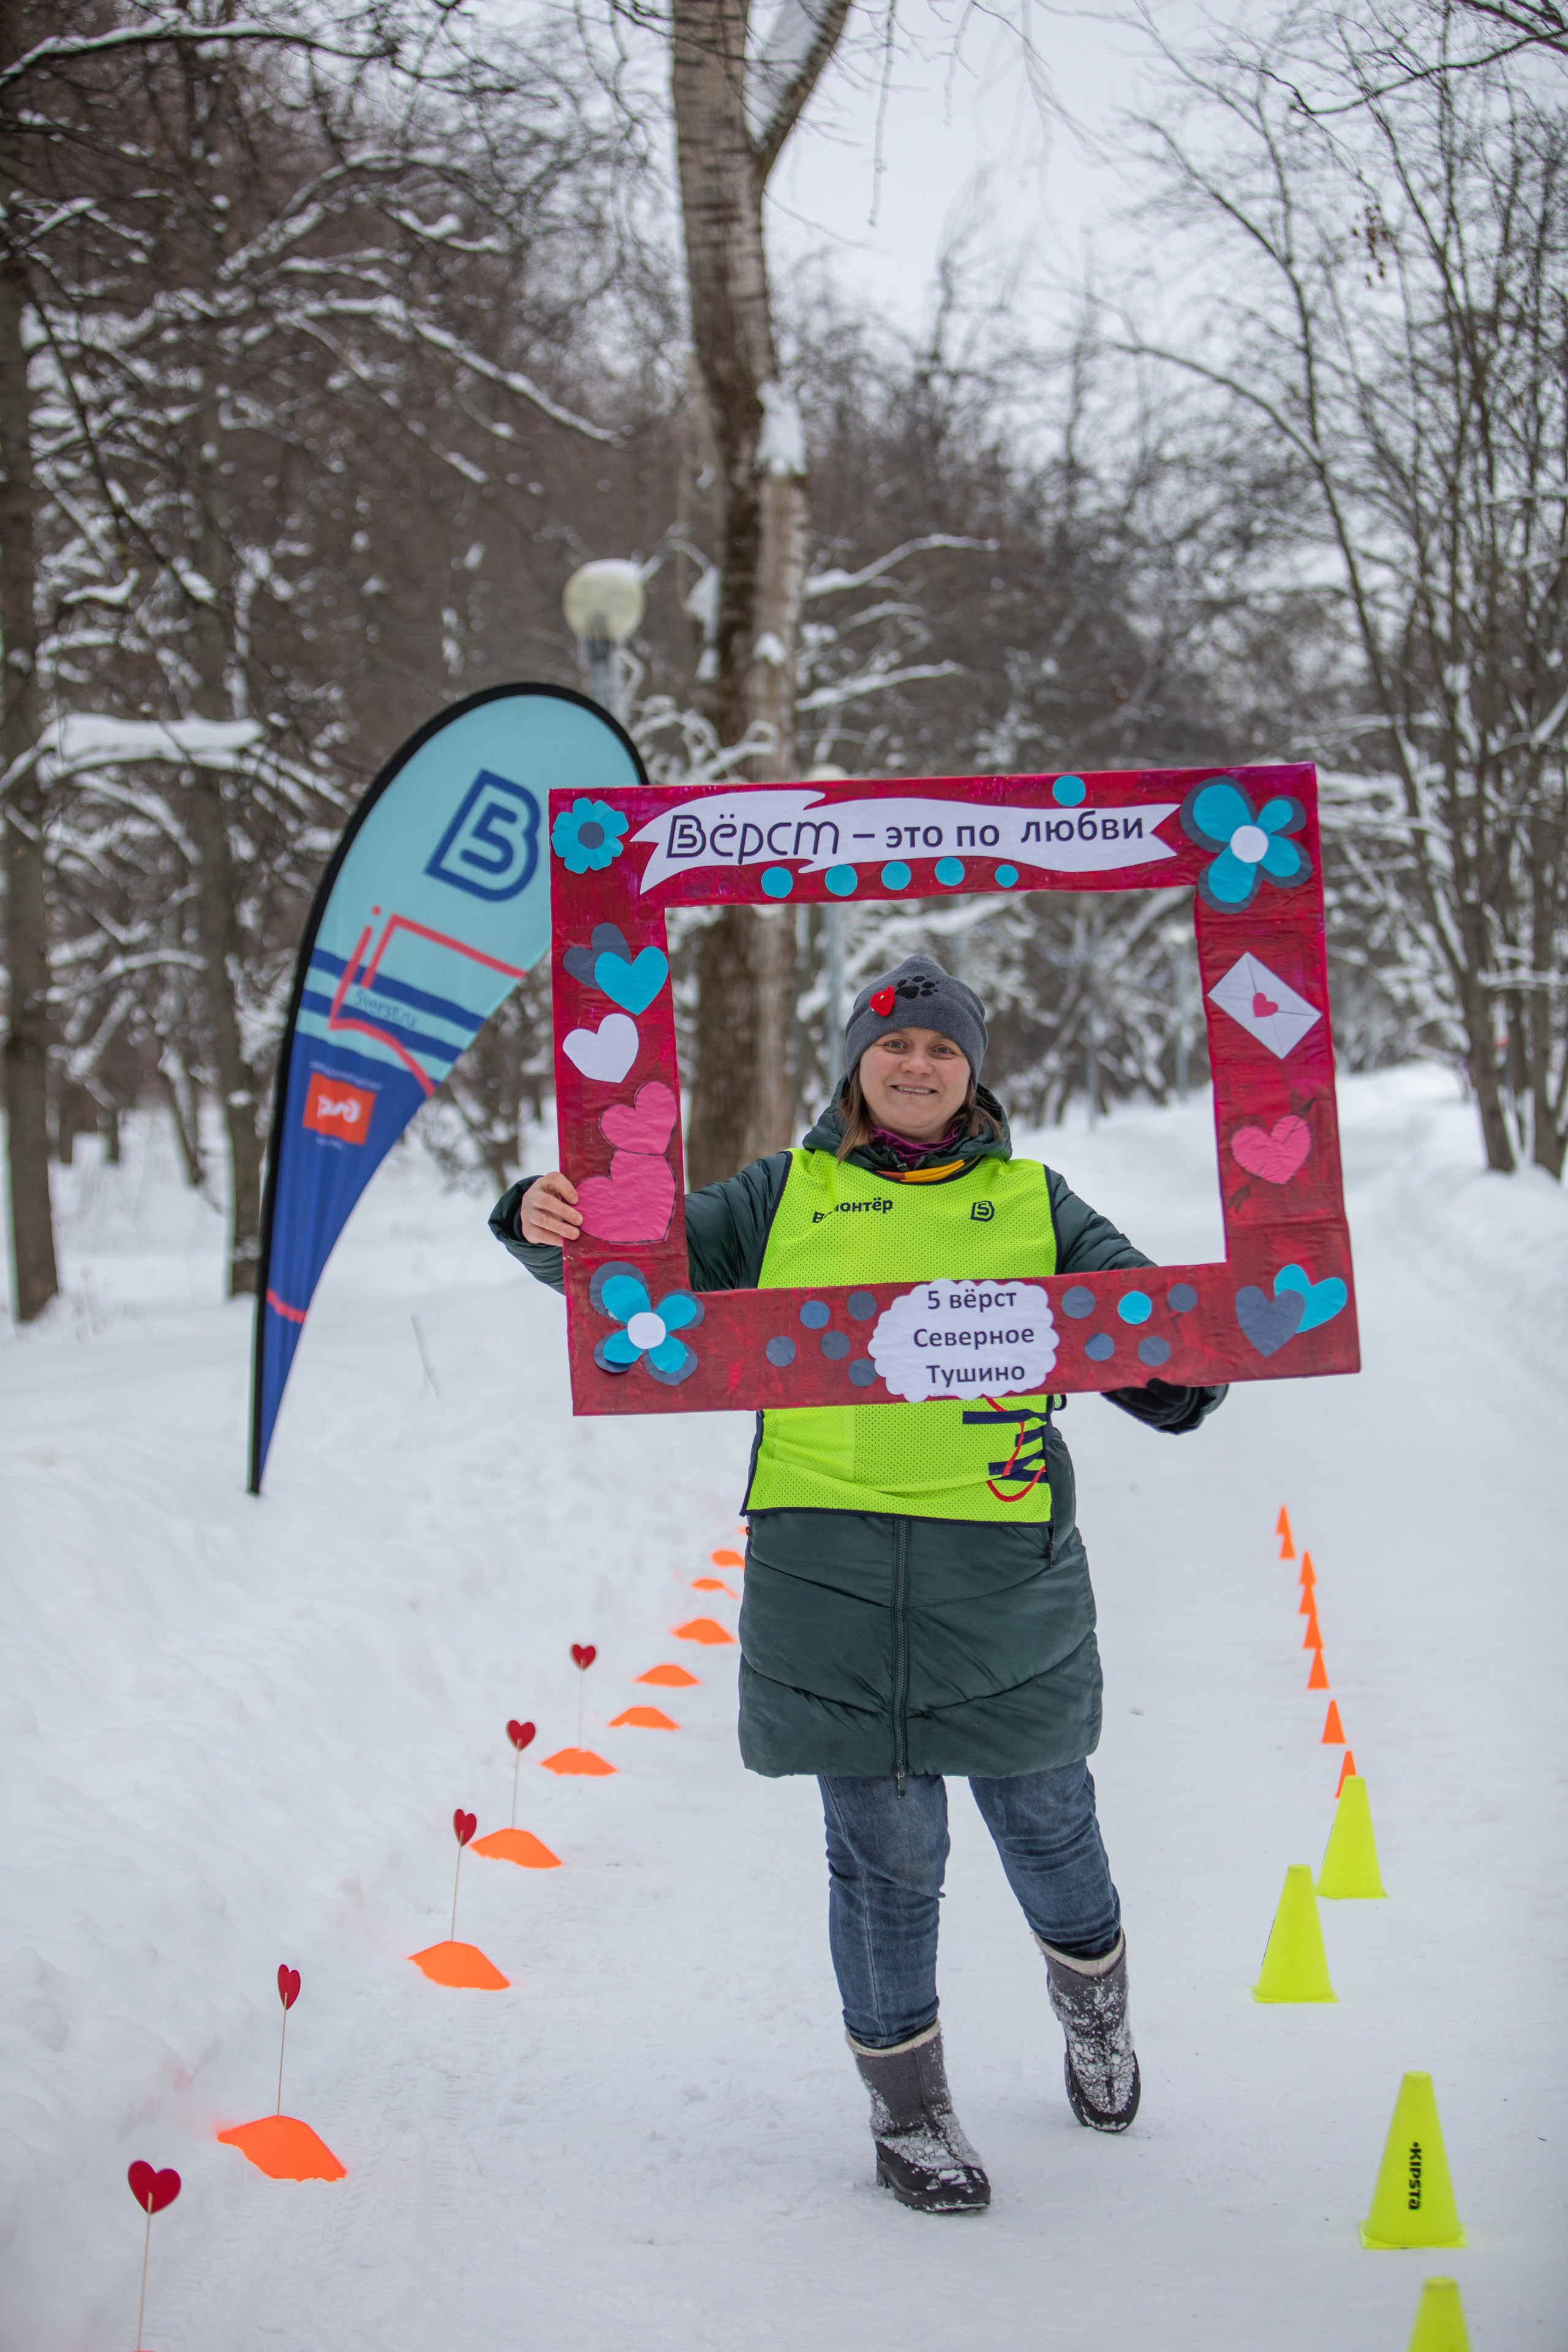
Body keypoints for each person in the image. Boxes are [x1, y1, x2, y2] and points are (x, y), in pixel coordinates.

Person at [491, 954, 1225, 2215]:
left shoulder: (1033, 1199)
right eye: (894, 1047)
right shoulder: (785, 1194)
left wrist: (1177, 1366)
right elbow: (629, 1272)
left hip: (1000, 1567)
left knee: (1046, 1819)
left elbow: (1149, 1329)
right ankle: (908, 2112)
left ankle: (1093, 2009)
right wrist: (541, 1218)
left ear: (972, 1072)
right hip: (822, 1570)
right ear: (854, 1066)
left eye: (941, 1049)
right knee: (881, 1852)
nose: (916, 1064)